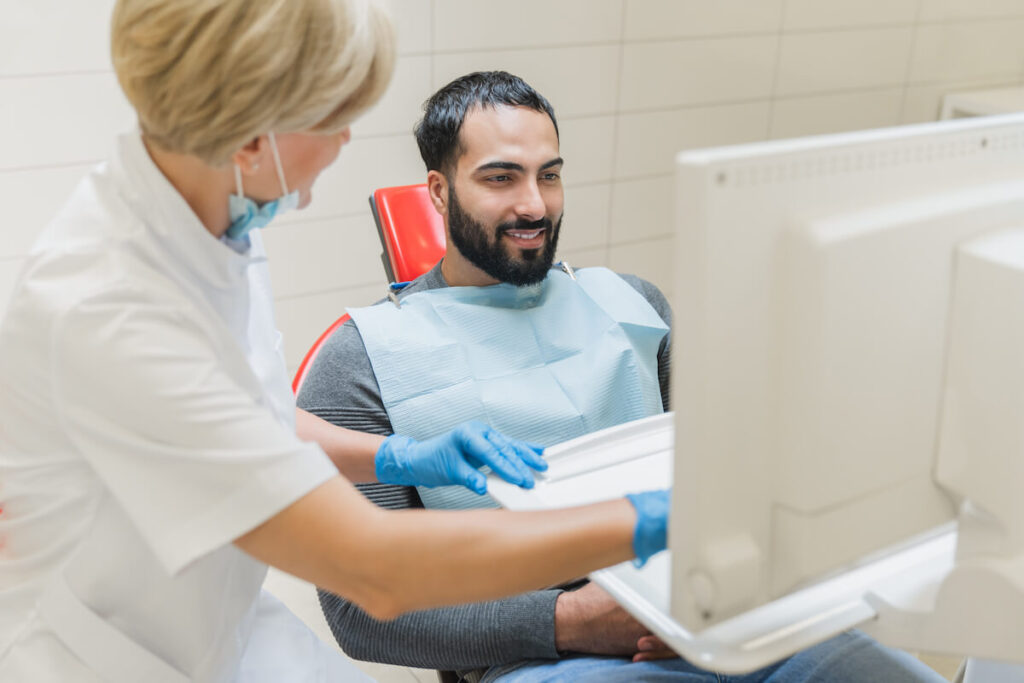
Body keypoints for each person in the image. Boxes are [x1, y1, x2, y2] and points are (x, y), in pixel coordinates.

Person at [0, 6, 670, 682]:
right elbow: (374, 571)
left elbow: (244, 414)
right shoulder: (109, 312)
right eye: (332, 117)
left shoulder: (210, 210)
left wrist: (395, 454)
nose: (348, 137)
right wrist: (643, 521)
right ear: (250, 137)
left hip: (221, 623)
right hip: (103, 653)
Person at [298, 71, 948, 683]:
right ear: (439, 191)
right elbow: (359, 611)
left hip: (706, 607)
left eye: (548, 176)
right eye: (501, 178)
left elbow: (729, 464)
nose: (533, 204)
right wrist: (571, 621)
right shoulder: (360, 362)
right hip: (545, 653)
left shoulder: (632, 304)